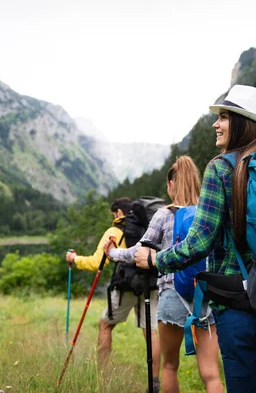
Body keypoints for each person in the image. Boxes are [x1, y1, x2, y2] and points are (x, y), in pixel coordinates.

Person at [135, 85, 256, 393]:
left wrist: (155, 260)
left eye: (225, 117)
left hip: (240, 304)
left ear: (245, 122)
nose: (216, 124)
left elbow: (198, 242)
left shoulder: (221, 168)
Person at [103, 156, 224, 393]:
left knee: (169, 366)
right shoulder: (208, 213)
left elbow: (141, 251)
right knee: (211, 374)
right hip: (205, 296)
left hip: (171, 294)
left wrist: (115, 252)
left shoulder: (163, 214)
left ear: (171, 184)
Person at [66, 197, 161, 389]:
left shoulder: (115, 231)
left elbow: (96, 262)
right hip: (150, 283)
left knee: (105, 325)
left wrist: (75, 259)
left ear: (118, 213)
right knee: (150, 331)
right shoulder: (149, 226)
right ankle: (155, 381)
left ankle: (102, 374)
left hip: (126, 286)